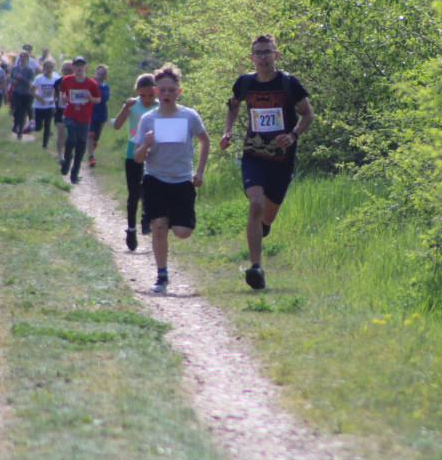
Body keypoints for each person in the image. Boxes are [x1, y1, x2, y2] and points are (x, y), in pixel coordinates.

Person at [220, 34, 314, 290]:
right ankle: (256, 267)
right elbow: (233, 106)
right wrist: (227, 132)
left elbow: (308, 114)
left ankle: (263, 226)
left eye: (267, 52)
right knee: (255, 204)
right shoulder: (244, 82)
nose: (263, 57)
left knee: (267, 216)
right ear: (252, 57)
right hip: (253, 155)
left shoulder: (288, 83)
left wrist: (293, 134)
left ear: (276, 55)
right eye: (258, 53)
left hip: (282, 160)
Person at [134, 63, 210, 293]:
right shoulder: (148, 119)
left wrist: (199, 171)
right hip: (155, 178)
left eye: (171, 90)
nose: (167, 94)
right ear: (156, 91)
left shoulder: (189, 116)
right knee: (158, 226)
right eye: (162, 90)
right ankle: (162, 275)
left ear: (179, 91)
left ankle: (167, 223)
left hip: (181, 180)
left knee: (182, 232)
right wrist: (146, 144)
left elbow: (204, 141)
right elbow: (138, 158)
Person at [112, 72, 158, 251]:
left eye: (150, 95)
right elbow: (117, 126)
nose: (146, 99)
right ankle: (131, 229)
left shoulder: (159, 107)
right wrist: (125, 108)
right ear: (137, 92)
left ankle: (146, 220)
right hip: (133, 152)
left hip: (154, 152)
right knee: (134, 192)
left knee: (149, 187)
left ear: (155, 92)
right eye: (143, 95)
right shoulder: (133, 106)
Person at [59, 57, 102, 184]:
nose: (79, 68)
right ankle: (67, 161)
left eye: (81, 65)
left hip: (85, 116)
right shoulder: (67, 80)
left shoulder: (91, 83)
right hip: (70, 114)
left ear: (85, 67)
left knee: (81, 144)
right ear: (73, 68)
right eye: (77, 65)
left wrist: (90, 97)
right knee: (72, 139)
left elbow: (98, 99)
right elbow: (62, 93)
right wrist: (64, 98)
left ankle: (74, 174)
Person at [31, 59, 58, 150]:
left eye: (51, 67)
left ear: (53, 68)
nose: (49, 69)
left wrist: (54, 99)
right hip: (39, 105)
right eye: (47, 67)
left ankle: (45, 145)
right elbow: (32, 91)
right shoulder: (39, 78)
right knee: (38, 127)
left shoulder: (56, 78)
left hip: (50, 105)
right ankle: (31, 125)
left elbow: (59, 91)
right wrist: (40, 99)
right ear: (44, 68)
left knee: (48, 125)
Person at [87, 64, 111, 168]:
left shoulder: (105, 87)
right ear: (94, 74)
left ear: (105, 77)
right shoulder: (88, 84)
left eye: (103, 74)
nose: (100, 76)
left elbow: (104, 98)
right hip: (89, 113)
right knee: (90, 135)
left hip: (101, 113)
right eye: (99, 73)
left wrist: (92, 96)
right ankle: (91, 157)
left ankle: (94, 143)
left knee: (97, 135)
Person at [9, 50, 35, 139]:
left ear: (27, 58)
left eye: (24, 56)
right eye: (21, 56)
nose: (22, 58)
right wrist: (13, 82)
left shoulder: (30, 69)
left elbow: (31, 82)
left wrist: (22, 78)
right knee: (17, 109)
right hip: (16, 92)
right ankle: (16, 123)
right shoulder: (15, 68)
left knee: (23, 111)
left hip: (26, 93)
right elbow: (11, 78)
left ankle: (20, 130)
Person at [54, 60, 73, 165]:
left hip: (72, 110)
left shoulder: (76, 82)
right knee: (61, 132)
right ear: (61, 70)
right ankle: (60, 154)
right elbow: (54, 96)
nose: (67, 72)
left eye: (69, 70)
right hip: (60, 110)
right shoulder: (57, 82)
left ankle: (69, 151)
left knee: (70, 133)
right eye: (65, 69)